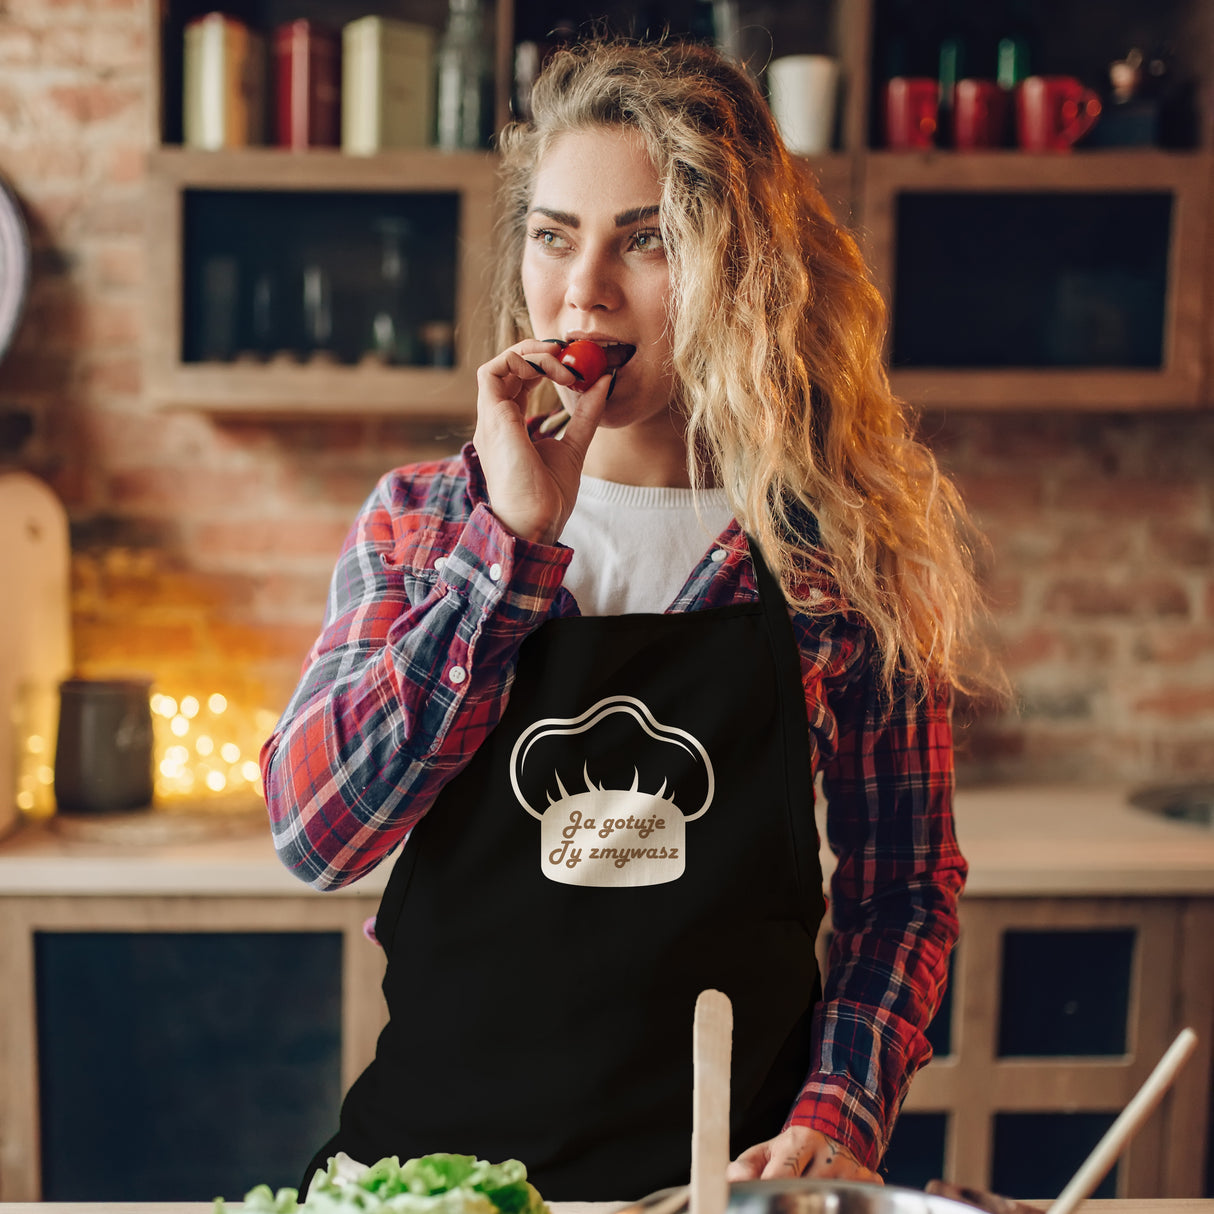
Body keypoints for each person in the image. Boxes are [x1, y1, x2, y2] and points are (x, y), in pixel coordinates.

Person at [261, 37, 999, 1203]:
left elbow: (902, 883)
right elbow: (315, 831)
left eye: (643, 239)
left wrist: (836, 1110)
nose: (582, 289)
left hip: (712, 1186)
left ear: (738, 266)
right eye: (553, 234)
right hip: (433, 1181)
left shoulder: (838, 555)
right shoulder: (423, 519)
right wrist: (511, 550)